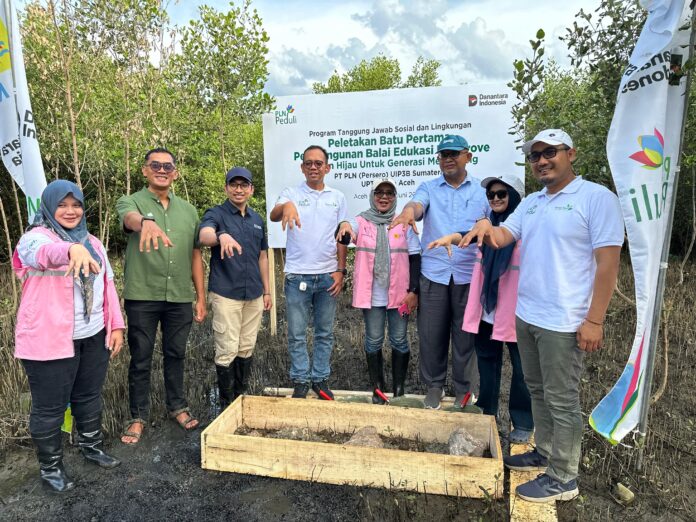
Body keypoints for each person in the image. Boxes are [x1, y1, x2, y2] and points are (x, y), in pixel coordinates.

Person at [461, 129, 623, 503]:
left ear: (571, 153)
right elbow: (503, 237)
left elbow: (608, 264)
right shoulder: (532, 203)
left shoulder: (596, 199)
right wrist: (486, 227)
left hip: (564, 322)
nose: (542, 161)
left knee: (562, 399)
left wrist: (595, 320)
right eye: (535, 156)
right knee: (537, 389)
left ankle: (564, 477)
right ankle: (545, 452)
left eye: (550, 152)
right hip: (527, 315)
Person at [13, 180, 124, 493]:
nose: (70, 211)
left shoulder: (93, 242)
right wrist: (70, 248)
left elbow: (108, 285)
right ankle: (51, 469)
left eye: (76, 205)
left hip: (93, 335)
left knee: (89, 396)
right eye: (62, 205)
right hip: (48, 340)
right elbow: (43, 255)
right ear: (49, 207)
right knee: (49, 408)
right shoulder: (34, 238)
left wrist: (116, 325)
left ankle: (92, 447)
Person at [428, 175, 533, 442]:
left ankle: (522, 421)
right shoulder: (486, 228)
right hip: (488, 312)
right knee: (487, 364)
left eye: (501, 194)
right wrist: (450, 238)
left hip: (517, 313)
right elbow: (467, 234)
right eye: (491, 195)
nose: (495, 199)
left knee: (523, 370)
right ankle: (488, 412)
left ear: (515, 197)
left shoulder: (528, 231)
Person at [390, 135, 488, 409]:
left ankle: (464, 390)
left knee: (465, 336)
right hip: (434, 273)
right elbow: (417, 205)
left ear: (468, 156)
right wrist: (408, 212)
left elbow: (488, 225)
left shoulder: (482, 190)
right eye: (443, 154)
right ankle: (434, 386)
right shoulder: (429, 187)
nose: (448, 159)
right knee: (431, 334)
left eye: (454, 153)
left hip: (468, 274)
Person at [116, 147, 207, 445]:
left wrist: (200, 297)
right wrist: (145, 222)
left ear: (175, 173)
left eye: (168, 166)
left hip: (179, 296)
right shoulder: (131, 201)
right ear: (145, 170)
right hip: (143, 294)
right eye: (155, 165)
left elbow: (195, 255)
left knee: (176, 354)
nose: (162, 170)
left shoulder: (189, 211)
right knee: (141, 357)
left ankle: (177, 407)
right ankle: (137, 416)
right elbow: (129, 218)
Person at [269, 145, 348, 399]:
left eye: (318, 163)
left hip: (327, 277)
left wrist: (341, 270)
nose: (313, 167)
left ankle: (320, 379)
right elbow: (274, 215)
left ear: (327, 168)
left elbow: (342, 237)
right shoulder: (290, 193)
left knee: (325, 333)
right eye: (308, 163)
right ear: (302, 167)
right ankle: (301, 380)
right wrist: (287, 206)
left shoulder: (337, 197)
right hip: (297, 277)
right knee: (297, 334)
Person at [336, 179, 421, 403]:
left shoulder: (404, 223)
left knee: (399, 340)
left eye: (389, 193)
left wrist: (414, 290)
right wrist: (344, 225)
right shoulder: (361, 221)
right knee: (373, 341)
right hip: (372, 296)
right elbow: (347, 230)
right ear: (372, 196)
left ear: (395, 197)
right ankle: (378, 390)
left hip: (400, 295)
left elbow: (415, 258)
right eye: (379, 192)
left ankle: (399, 391)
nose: (384, 197)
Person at [199, 167, 272, 410]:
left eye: (243, 185)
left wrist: (267, 291)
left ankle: (241, 399)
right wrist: (221, 236)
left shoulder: (257, 220)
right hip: (226, 293)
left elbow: (263, 256)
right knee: (227, 349)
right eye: (234, 184)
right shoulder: (216, 214)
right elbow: (204, 236)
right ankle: (226, 406)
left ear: (251, 189)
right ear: (226, 188)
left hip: (254, 294)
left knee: (246, 346)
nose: (238, 189)